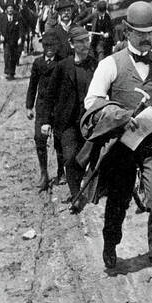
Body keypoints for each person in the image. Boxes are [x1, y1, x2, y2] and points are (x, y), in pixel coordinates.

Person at [84, 1, 152, 282]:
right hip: (121, 145)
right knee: (118, 199)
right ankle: (110, 242)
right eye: (140, 33)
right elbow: (92, 100)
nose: (147, 38)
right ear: (127, 32)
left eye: (151, 32)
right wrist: (118, 114)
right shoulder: (110, 63)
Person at [42, 26, 96, 207]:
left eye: (87, 40)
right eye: (80, 41)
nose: (85, 45)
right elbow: (49, 95)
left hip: (88, 121)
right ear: (71, 44)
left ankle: (82, 188)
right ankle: (75, 195)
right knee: (70, 156)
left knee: (84, 156)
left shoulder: (94, 65)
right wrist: (45, 121)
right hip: (66, 122)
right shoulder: (62, 67)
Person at [26, 29, 62, 190]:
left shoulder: (62, 63)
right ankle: (44, 173)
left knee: (60, 141)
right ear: (43, 46)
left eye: (52, 45)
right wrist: (29, 106)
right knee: (39, 139)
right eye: (46, 45)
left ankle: (62, 172)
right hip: (42, 107)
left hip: (58, 106)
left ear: (57, 46)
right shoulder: (38, 63)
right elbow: (32, 86)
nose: (49, 48)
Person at [0, 2, 24, 80]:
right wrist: (0, 35)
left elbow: (21, 28)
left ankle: (12, 73)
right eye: (9, 8)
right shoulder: (2, 17)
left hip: (14, 40)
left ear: (13, 10)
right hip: (6, 40)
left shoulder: (17, 18)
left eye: (11, 8)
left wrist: (20, 38)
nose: (10, 10)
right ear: (6, 9)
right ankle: (7, 71)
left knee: (13, 56)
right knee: (6, 55)